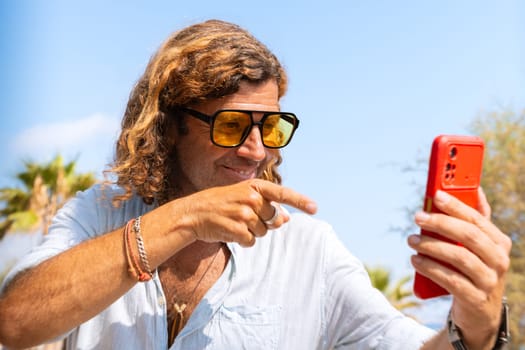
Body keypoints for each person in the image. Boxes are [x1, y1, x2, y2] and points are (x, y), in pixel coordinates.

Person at [0, 19, 511, 350]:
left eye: (270, 127)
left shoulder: (309, 250)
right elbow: (15, 321)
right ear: (171, 126)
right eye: (229, 126)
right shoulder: (99, 214)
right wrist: (180, 220)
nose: (256, 149)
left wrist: (477, 325)